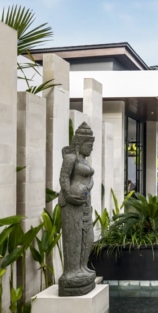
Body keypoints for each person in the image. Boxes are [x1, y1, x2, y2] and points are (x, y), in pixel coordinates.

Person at [58, 122, 97, 296]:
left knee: (87, 236)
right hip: (72, 204)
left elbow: (89, 180)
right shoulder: (70, 158)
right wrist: (69, 194)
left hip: (85, 202)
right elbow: (64, 178)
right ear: (79, 143)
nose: (91, 149)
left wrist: (87, 188)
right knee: (73, 237)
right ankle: (71, 272)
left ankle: (82, 267)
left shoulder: (84, 161)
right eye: (89, 145)